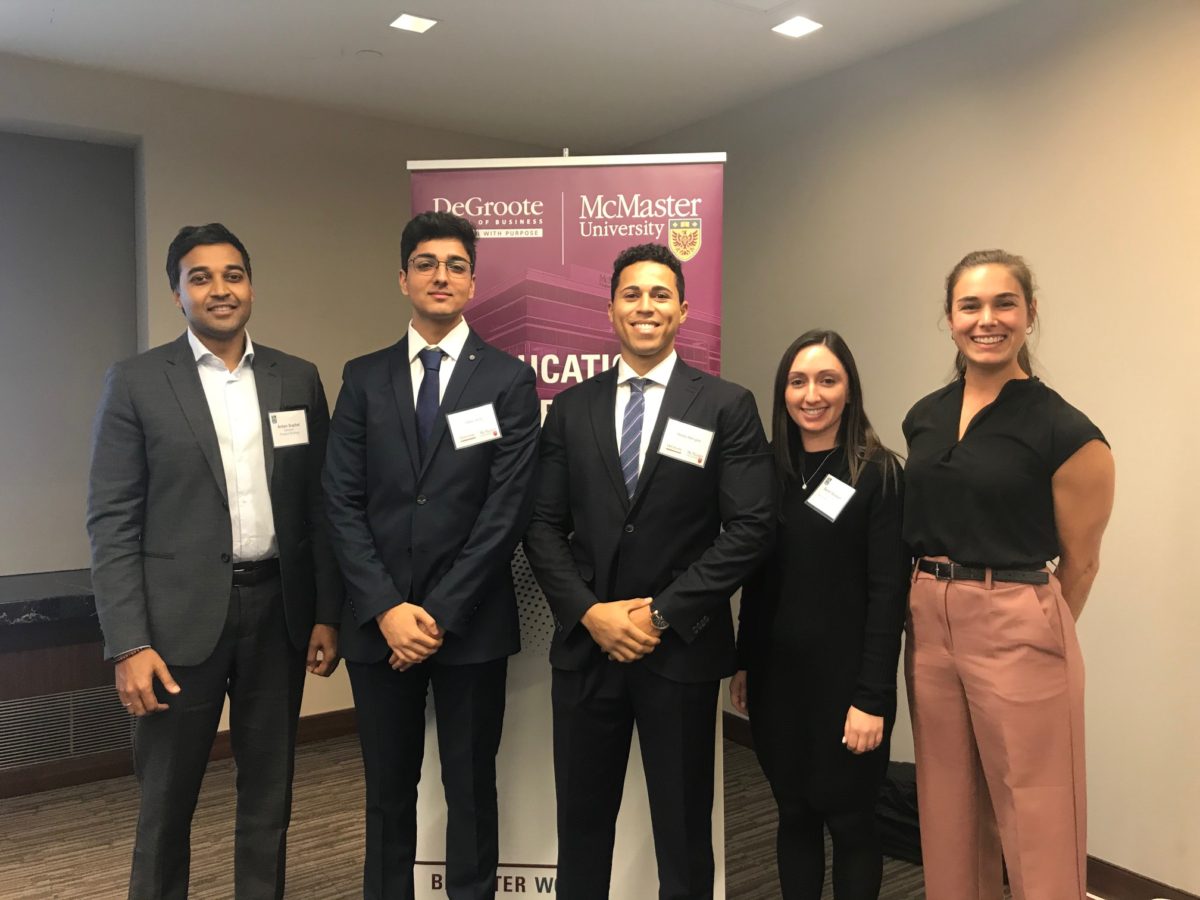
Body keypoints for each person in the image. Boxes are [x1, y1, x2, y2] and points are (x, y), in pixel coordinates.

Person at [86, 222, 343, 900]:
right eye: (201, 277)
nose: (220, 290)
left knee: (270, 795)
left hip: (277, 614)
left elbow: (318, 506)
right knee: (166, 805)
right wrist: (128, 643)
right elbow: (111, 521)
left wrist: (325, 612)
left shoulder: (298, 378)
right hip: (175, 628)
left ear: (250, 285)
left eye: (233, 275)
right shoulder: (137, 382)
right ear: (178, 293)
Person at [523, 243, 775, 900]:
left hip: (680, 652)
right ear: (610, 310)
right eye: (632, 294)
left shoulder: (726, 405)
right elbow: (541, 526)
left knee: (685, 835)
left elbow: (750, 528)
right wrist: (589, 612)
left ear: (684, 310)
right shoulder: (572, 410)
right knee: (581, 832)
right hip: (587, 652)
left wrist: (659, 611)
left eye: (660, 294)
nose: (645, 306)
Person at [323, 211, 540, 900]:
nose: (439, 275)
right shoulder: (363, 378)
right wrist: (387, 608)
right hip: (376, 624)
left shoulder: (509, 380)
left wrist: (437, 613)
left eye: (454, 265)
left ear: (472, 282)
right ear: (403, 278)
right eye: (425, 263)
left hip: (469, 624)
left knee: (471, 787)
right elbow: (340, 502)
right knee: (388, 792)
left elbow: (505, 512)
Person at [902, 250, 1115, 900]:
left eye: (1003, 303)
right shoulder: (925, 416)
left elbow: (1079, 563)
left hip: (1017, 617)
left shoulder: (1066, 431)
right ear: (949, 318)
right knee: (948, 809)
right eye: (970, 305)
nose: (986, 319)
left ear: (1029, 313)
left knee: (1036, 814)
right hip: (929, 623)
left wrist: (1025, 630)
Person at [730, 330, 909, 899]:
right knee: (794, 813)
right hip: (778, 682)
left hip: (848, 686)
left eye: (828, 380)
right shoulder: (767, 472)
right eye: (798, 381)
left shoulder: (878, 473)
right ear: (782, 391)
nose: (813, 394)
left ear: (849, 390)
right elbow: (758, 581)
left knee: (852, 823)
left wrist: (872, 698)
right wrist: (744, 664)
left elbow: (888, 594)